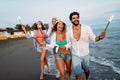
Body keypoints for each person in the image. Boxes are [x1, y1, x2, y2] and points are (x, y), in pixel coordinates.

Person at [68, 12, 106, 80]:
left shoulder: (86, 28)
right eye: (74, 18)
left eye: (77, 17)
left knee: (86, 70)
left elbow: (94, 39)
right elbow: (68, 42)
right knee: (77, 73)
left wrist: (100, 37)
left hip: (85, 55)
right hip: (75, 55)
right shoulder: (68, 30)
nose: (76, 19)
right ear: (71, 20)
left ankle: (87, 77)